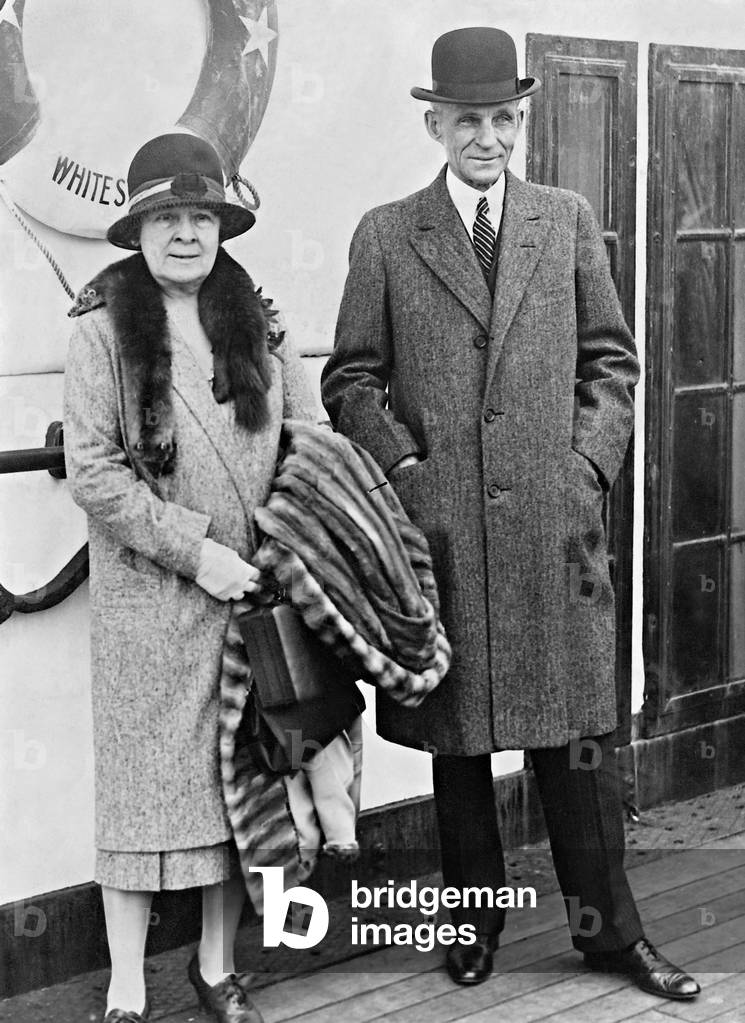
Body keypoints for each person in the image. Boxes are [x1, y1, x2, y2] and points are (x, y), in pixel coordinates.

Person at [321, 27, 700, 1002]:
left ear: (520, 120)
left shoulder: (563, 220)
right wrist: (406, 470)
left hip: (551, 528)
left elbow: (611, 360)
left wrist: (584, 469)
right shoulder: (386, 235)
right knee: (460, 749)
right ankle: (474, 923)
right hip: (441, 533)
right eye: (467, 120)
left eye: (502, 119)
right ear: (434, 122)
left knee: (575, 746)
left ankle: (611, 935)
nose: (485, 137)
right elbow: (351, 377)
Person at [64, 133, 320, 1023]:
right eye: (167, 217)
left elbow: (309, 438)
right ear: (137, 229)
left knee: (232, 787)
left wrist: (282, 543)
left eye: (201, 217)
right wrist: (198, 550)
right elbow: (96, 474)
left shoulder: (263, 322)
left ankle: (215, 966)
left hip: (248, 596)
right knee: (140, 792)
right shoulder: (99, 333)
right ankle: (128, 986)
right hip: (151, 597)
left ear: (221, 228)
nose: (185, 234)